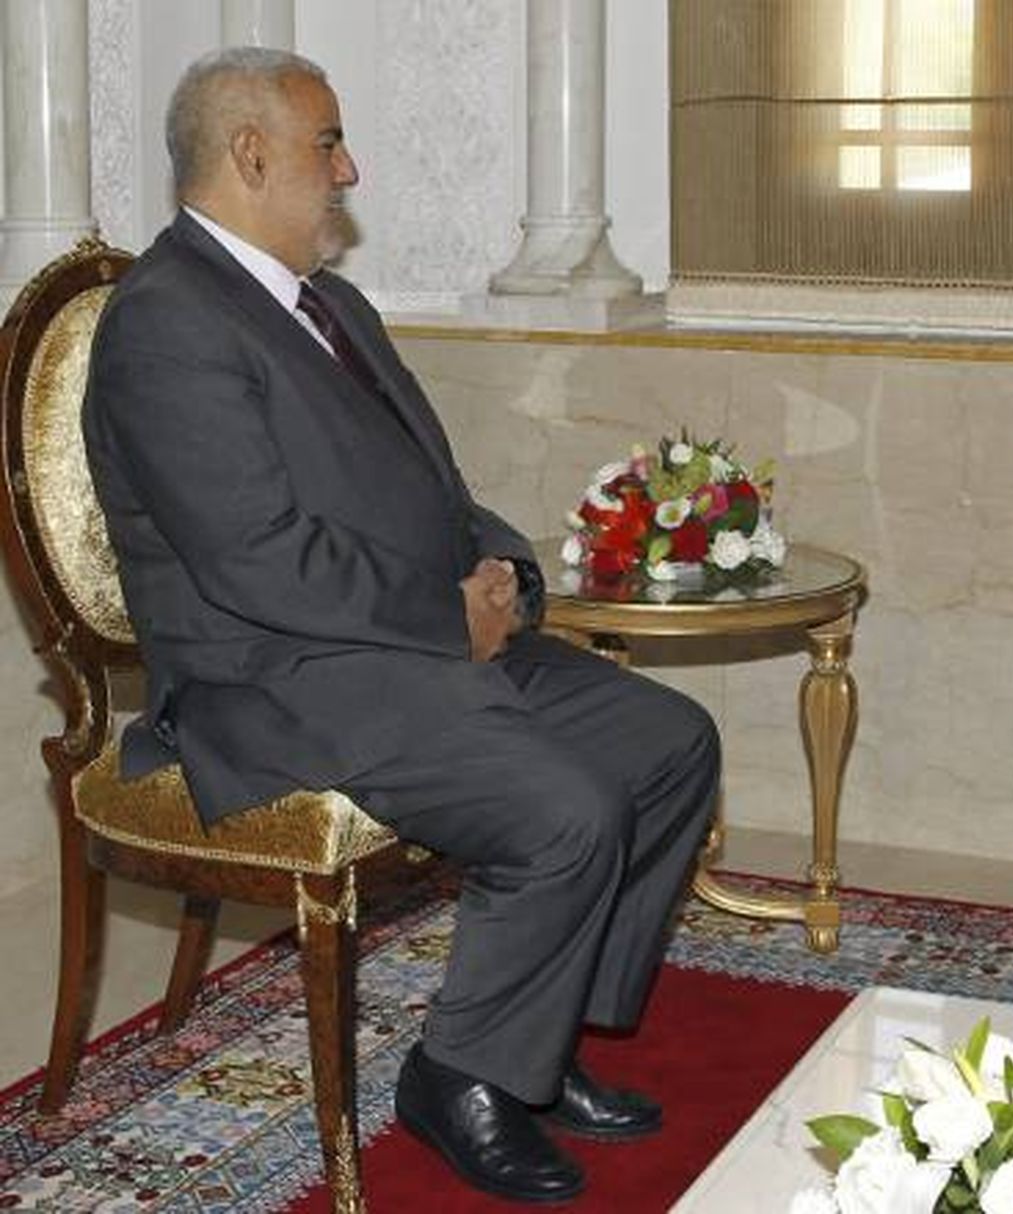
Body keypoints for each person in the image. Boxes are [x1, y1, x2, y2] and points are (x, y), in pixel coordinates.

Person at [83, 47, 720, 1204]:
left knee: (669, 742)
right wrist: (442, 616)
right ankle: (460, 1074)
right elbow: (253, 557)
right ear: (250, 153)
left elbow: (431, 488)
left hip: (400, 644)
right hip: (279, 679)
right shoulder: (166, 320)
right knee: (562, 806)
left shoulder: (330, 303)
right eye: (329, 143)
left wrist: (503, 572)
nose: (348, 170)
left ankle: (535, 1035)